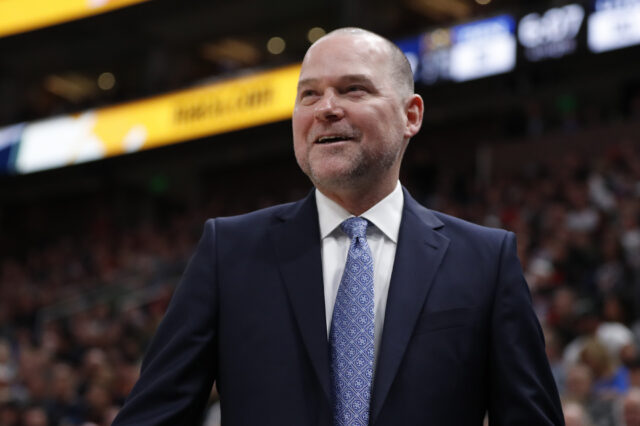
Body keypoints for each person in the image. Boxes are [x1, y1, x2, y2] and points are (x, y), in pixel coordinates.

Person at [112, 27, 564, 425]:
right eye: (309, 94)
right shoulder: (227, 251)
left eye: (352, 90)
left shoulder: (485, 260)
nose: (325, 108)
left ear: (411, 115)